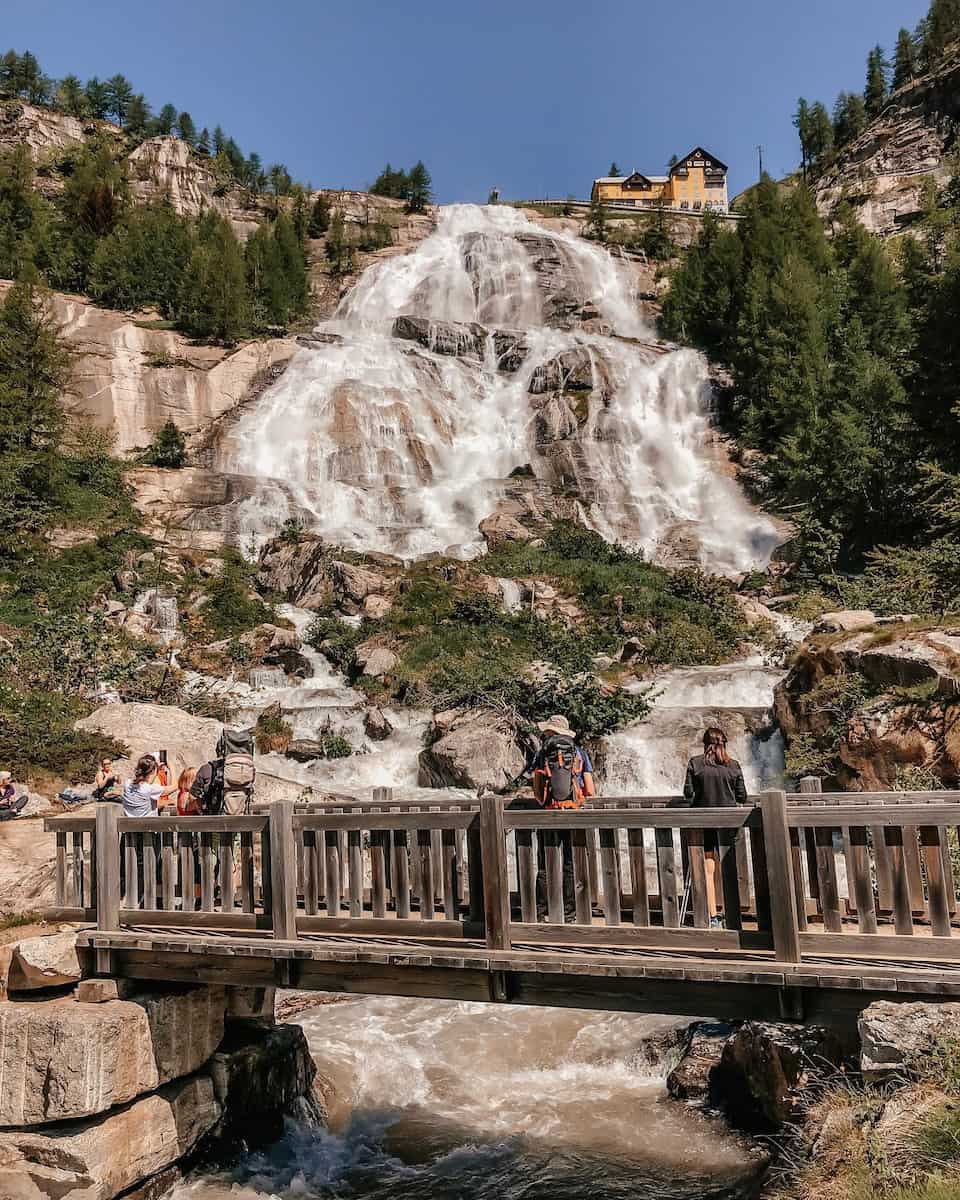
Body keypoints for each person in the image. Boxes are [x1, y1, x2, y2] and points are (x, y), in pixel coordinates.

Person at [531, 715, 596, 922]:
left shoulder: (542, 753)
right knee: (570, 863)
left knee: (544, 865)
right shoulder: (579, 753)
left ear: (550, 732)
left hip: (549, 813)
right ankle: (570, 914)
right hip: (572, 813)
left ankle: (541, 913)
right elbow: (591, 790)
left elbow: (537, 792)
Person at [682, 727, 748, 929]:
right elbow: (742, 796)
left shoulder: (696, 763)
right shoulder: (734, 765)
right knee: (730, 869)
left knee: (709, 869)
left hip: (705, 823)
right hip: (728, 823)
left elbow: (688, 793)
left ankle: (713, 916)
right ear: (724, 743)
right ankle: (733, 915)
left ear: (705, 744)